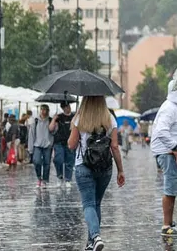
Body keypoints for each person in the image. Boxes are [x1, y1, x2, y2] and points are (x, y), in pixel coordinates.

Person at [69, 95, 125, 251]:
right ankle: (91, 242)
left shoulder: (79, 118)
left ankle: (95, 236)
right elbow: (114, 147)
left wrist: (74, 124)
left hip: (83, 166)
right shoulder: (110, 118)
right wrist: (120, 170)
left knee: (88, 204)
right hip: (105, 167)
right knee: (96, 204)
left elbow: (71, 145)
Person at [150, 88, 177, 237]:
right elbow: (161, 131)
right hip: (169, 154)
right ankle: (166, 225)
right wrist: (175, 149)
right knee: (171, 189)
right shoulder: (169, 108)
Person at [31, 104, 55, 187]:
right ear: (40, 110)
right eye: (42, 109)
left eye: (45, 110)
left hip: (47, 145)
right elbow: (32, 134)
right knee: (36, 161)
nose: (43, 111)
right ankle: (39, 178)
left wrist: (54, 123)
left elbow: (54, 132)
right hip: (37, 144)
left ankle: (44, 180)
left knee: (47, 163)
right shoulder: (35, 120)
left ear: (48, 111)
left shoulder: (51, 120)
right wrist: (30, 148)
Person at [52, 102, 76, 185]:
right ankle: (59, 175)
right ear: (62, 108)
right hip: (59, 141)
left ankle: (68, 179)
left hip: (70, 141)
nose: (67, 108)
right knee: (58, 159)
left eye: (68, 106)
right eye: (65, 107)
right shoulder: (59, 117)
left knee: (70, 161)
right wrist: (54, 119)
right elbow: (51, 129)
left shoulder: (74, 116)